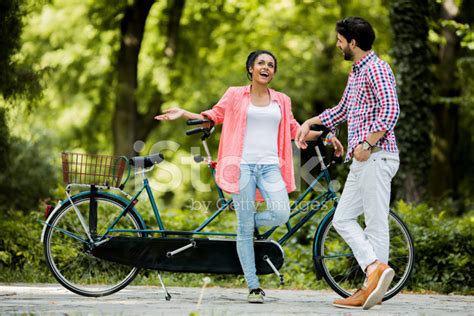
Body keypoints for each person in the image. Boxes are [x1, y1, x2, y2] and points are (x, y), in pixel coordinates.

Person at [296, 16, 400, 310]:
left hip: (376, 156)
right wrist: (310, 121)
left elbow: (391, 110)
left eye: (340, 40)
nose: (337, 44)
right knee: (342, 219)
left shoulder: (377, 68)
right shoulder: (357, 71)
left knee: (376, 223)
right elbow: (342, 110)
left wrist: (368, 143)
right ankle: (373, 274)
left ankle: (372, 286)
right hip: (364, 159)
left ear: (353, 42)